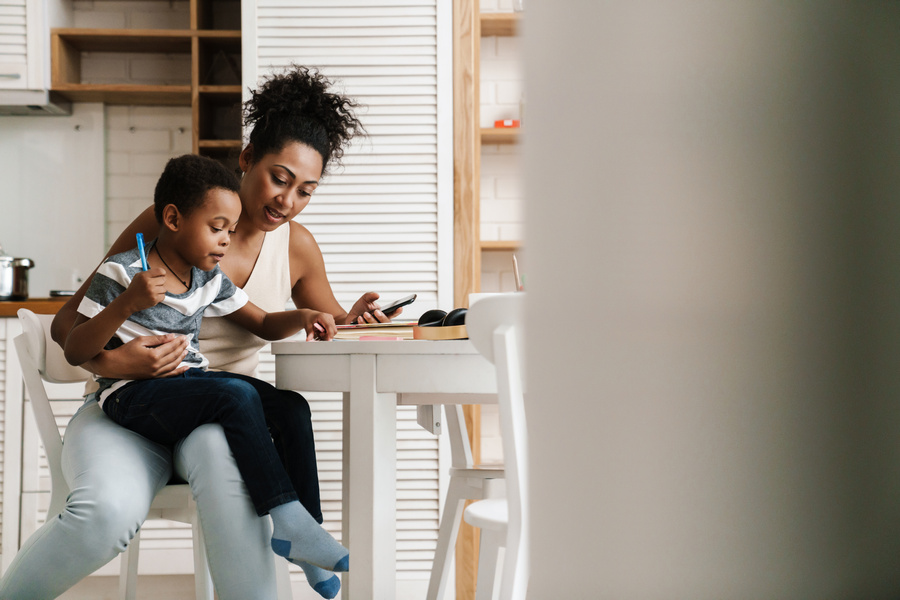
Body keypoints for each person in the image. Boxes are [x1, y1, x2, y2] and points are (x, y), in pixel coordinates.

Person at [0, 66, 397, 600]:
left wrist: (357, 316)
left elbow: (329, 325)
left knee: (235, 452)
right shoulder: (174, 221)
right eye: (279, 178)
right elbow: (72, 324)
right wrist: (122, 364)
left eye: (306, 190)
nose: (288, 201)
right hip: (127, 408)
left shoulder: (297, 247)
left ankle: (301, 532)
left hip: (223, 418)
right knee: (103, 515)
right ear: (247, 159)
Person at [65, 153, 349, 580]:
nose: (224, 242)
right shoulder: (122, 273)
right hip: (130, 396)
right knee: (235, 392)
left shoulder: (207, 280)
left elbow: (266, 323)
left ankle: (306, 534)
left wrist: (304, 315)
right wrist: (127, 304)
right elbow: (74, 347)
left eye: (230, 232)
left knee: (291, 407)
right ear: (174, 220)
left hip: (186, 387)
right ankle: (287, 520)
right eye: (217, 229)